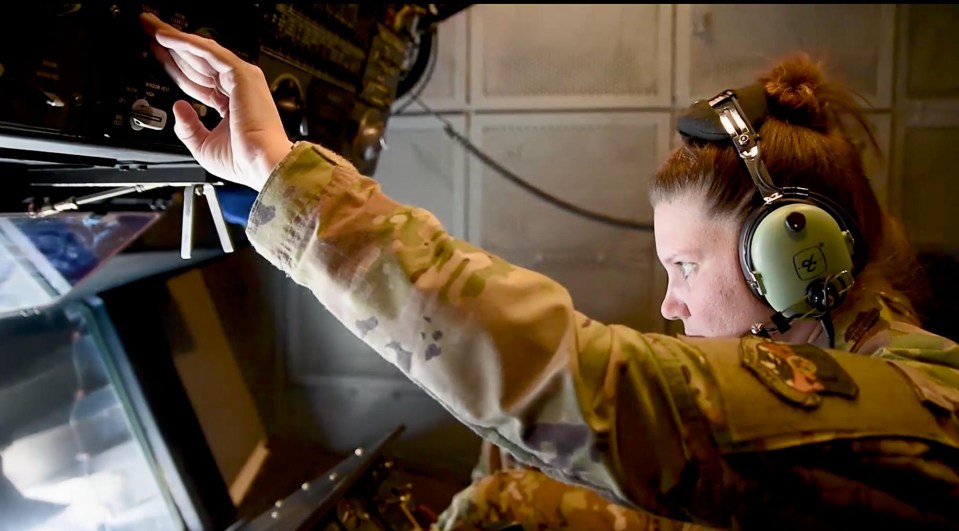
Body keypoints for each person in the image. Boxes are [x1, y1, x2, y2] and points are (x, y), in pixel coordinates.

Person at [139, 11, 959, 531]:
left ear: (791, 255)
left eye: (683, 265)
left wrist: (283, 173)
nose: (670, 303)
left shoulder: (926, 409)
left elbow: (599, 388)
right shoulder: (868, 356)